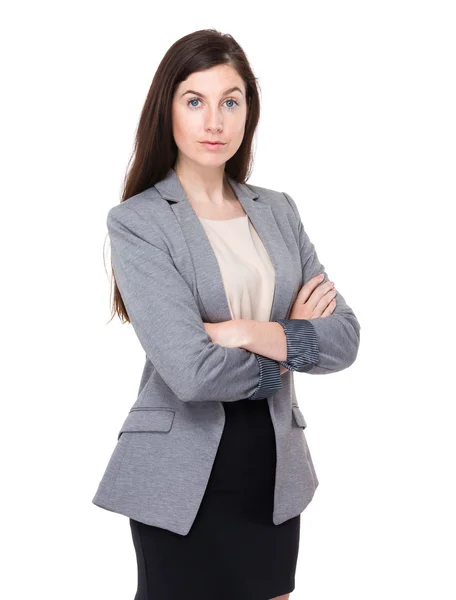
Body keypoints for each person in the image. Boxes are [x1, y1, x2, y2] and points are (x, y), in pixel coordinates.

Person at [92, 28, 361, 600]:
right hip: (180, 475)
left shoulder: (279, 211)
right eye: (195, 101)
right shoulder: (139, 222)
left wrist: (244, 332)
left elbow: (344, 338)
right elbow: (190, 373)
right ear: (167, 110)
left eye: (230, 101)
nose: (214, 121)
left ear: (247, 114)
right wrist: (289, 343)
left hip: (271, 471)